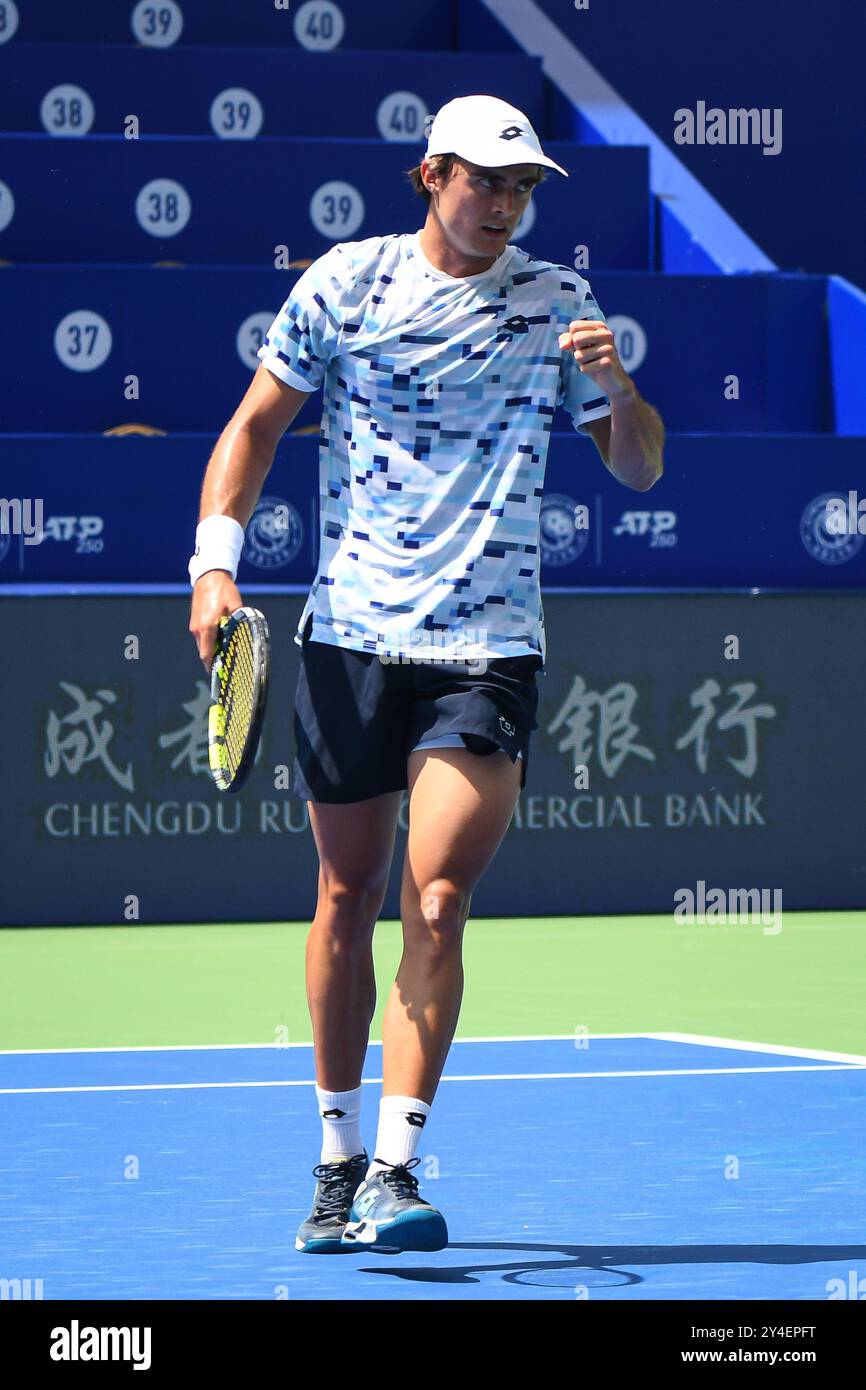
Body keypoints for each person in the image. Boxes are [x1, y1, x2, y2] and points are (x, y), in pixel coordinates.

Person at [188, 94, 664, 1254]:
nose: (503, 203)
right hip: (349, 635)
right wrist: (214, 566)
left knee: (436, 896)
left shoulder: (561, 306)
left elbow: (640, 470)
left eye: (521, 188)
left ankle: (398, 1168)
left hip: (486, 643)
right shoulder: (345, 285)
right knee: (345, 896)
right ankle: (336, 1158)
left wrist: (618, 389)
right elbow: (254, 427)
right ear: (431, 175)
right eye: (484, 181)